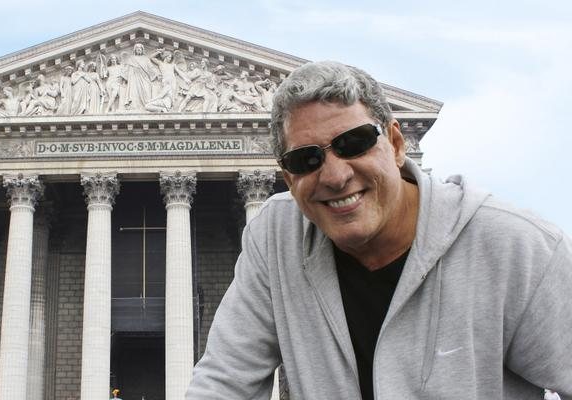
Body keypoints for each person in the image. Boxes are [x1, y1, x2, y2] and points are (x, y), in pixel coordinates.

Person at [186, 61, 572, 399]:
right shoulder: (276, 237)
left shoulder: (517, 247)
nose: (336, 176)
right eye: (307, 159)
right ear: (288, 178)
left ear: (396, 142)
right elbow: (224, 382)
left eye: (354, 143)